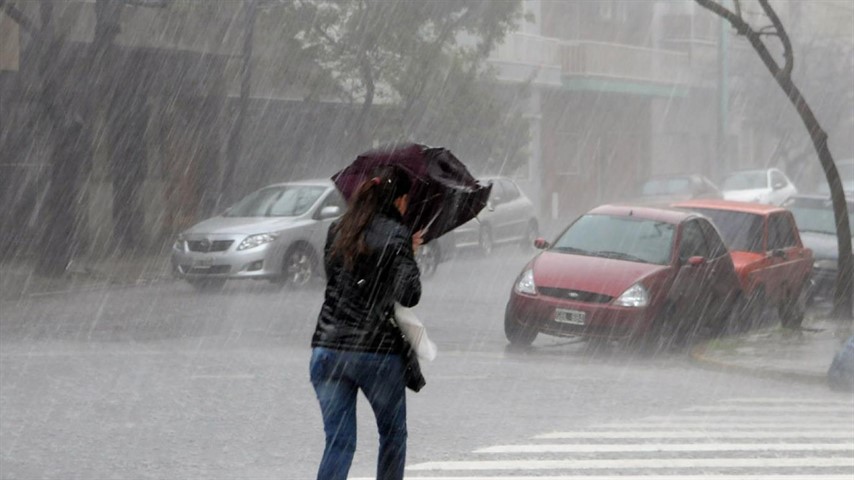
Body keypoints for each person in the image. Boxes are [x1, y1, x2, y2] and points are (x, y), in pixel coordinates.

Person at [309, 165, 423, 480]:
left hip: (327, 349)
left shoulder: (338, 229)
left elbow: (337, 280)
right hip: (376, 352)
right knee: (392, 434)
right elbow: (409, 294)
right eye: (406, 200)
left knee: (339, 442)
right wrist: (409, 254)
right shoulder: (397, 234)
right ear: (399, 200)